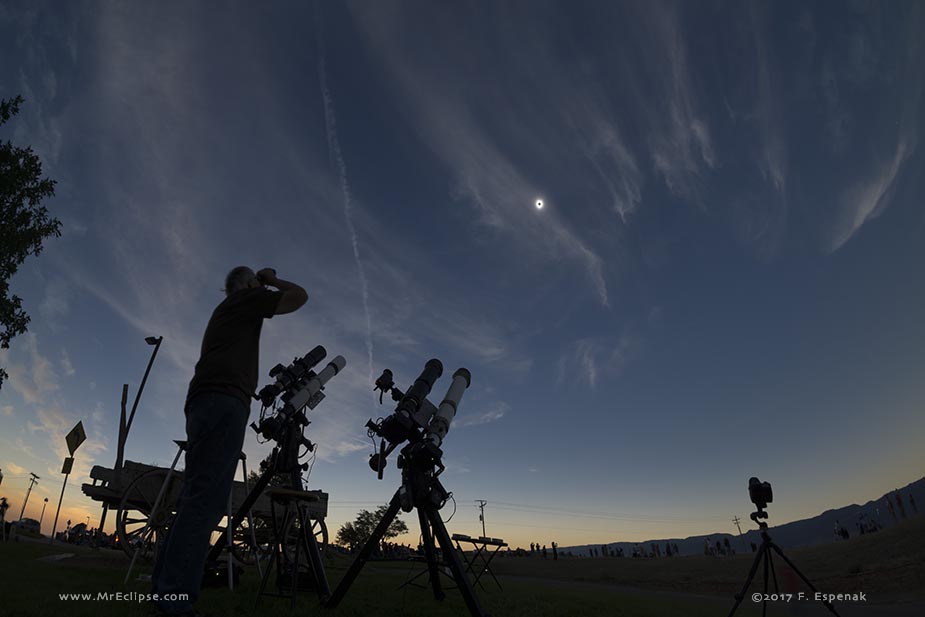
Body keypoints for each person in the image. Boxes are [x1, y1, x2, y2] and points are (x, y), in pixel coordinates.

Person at [151, 266, 308, 616]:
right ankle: (174, 600)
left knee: (194, 498)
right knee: (206, 503)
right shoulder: (247, 297)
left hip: (206, 399)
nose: (259, 286)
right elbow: (299, 297)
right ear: (248, 284)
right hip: (225, 400)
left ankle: (163, 589)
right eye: (255, 282)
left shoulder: (227, 311)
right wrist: (269, 280)